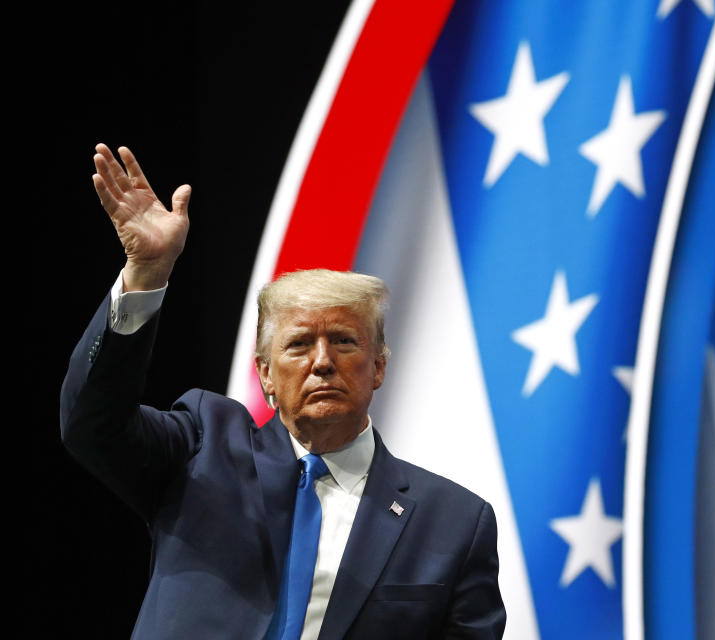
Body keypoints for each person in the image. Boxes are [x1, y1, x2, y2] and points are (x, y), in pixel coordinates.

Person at [60, 144, 506, 639]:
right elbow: (92, 425)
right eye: (298, 345)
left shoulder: (454, 522)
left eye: (343, 341)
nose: (322, 361)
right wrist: (146, 274)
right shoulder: (202, 447)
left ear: (378, 366)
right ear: (265, 374)